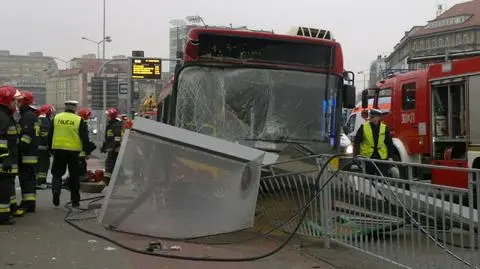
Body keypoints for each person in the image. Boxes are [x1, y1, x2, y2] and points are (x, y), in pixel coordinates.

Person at [49, 100, 91, 208]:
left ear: (65, 107)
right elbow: (84, 138)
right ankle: (75, 201)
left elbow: (50, 134)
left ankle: (56, 191)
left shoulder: (56, 118)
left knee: (57, 173)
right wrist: (87, 151)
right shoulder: (79, 120)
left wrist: (51, 149)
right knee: (74, 176)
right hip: (73, 152)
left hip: (58, 150)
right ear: (75, 108)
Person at [0, 86, 25, 224]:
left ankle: (8, 211)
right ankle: (3, 217)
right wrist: (5, 160)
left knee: (7, 188)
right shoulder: (3, 117)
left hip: (6, 160)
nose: (15, 104)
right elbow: (1, 142)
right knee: (3, 191)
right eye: (13, 101)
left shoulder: (5, 116)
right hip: (4, 162)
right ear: (6, 100)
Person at [353, 108, 394, 176]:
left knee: (382, 179)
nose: (370, 117)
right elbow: (357, 142)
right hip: (368, 158)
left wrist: (390, 157)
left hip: (382, 159)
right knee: (369, 180)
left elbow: (389, 143)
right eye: (370, 116)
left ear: (378, 118)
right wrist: (356, 155)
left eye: (373, 116)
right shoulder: (364, 127)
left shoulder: (384, 128)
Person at [17, 91, 39, 213]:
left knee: (27, 181)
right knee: (29, 180)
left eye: (20, 101)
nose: (18, 104)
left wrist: (18, 147)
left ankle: (28, 204)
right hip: (31, 154)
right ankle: (28, 203)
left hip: (27, 155)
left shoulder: (27, 116)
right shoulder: (30, 115)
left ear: (24, 102)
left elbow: (27, 136)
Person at [100, 108, 123, 185]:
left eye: (108, 115)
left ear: (111, 116)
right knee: (115, 164)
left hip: (115, 149)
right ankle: (119, 180)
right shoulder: (111, 124)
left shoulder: (117, 125)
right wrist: (104, 147)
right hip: (112, 148)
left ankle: (107, 181)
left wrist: (112, 147)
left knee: (109, 163)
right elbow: (108, 138)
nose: (107, 117)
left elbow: (117, 137)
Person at [36, 104, 55, 189]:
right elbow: (45, 135)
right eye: (51, 112)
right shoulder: (45, 120)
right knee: (43, 166)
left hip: (37, 147)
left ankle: (39, 182)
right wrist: (50, 146)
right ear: (48, 111)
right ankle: (40, 183)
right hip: (43, 148)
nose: (51, 114)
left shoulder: (39, 119)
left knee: (39, 166)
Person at [77, 107, 97, 182]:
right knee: (81, 165)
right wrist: (88, 152)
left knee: (77, 165)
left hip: (75, 148)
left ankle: (77, 180)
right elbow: (85, 139)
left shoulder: (78, 122)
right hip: (80, 149)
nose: (89, 117)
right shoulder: (82, 123)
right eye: (88, 115)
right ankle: (81, 180)